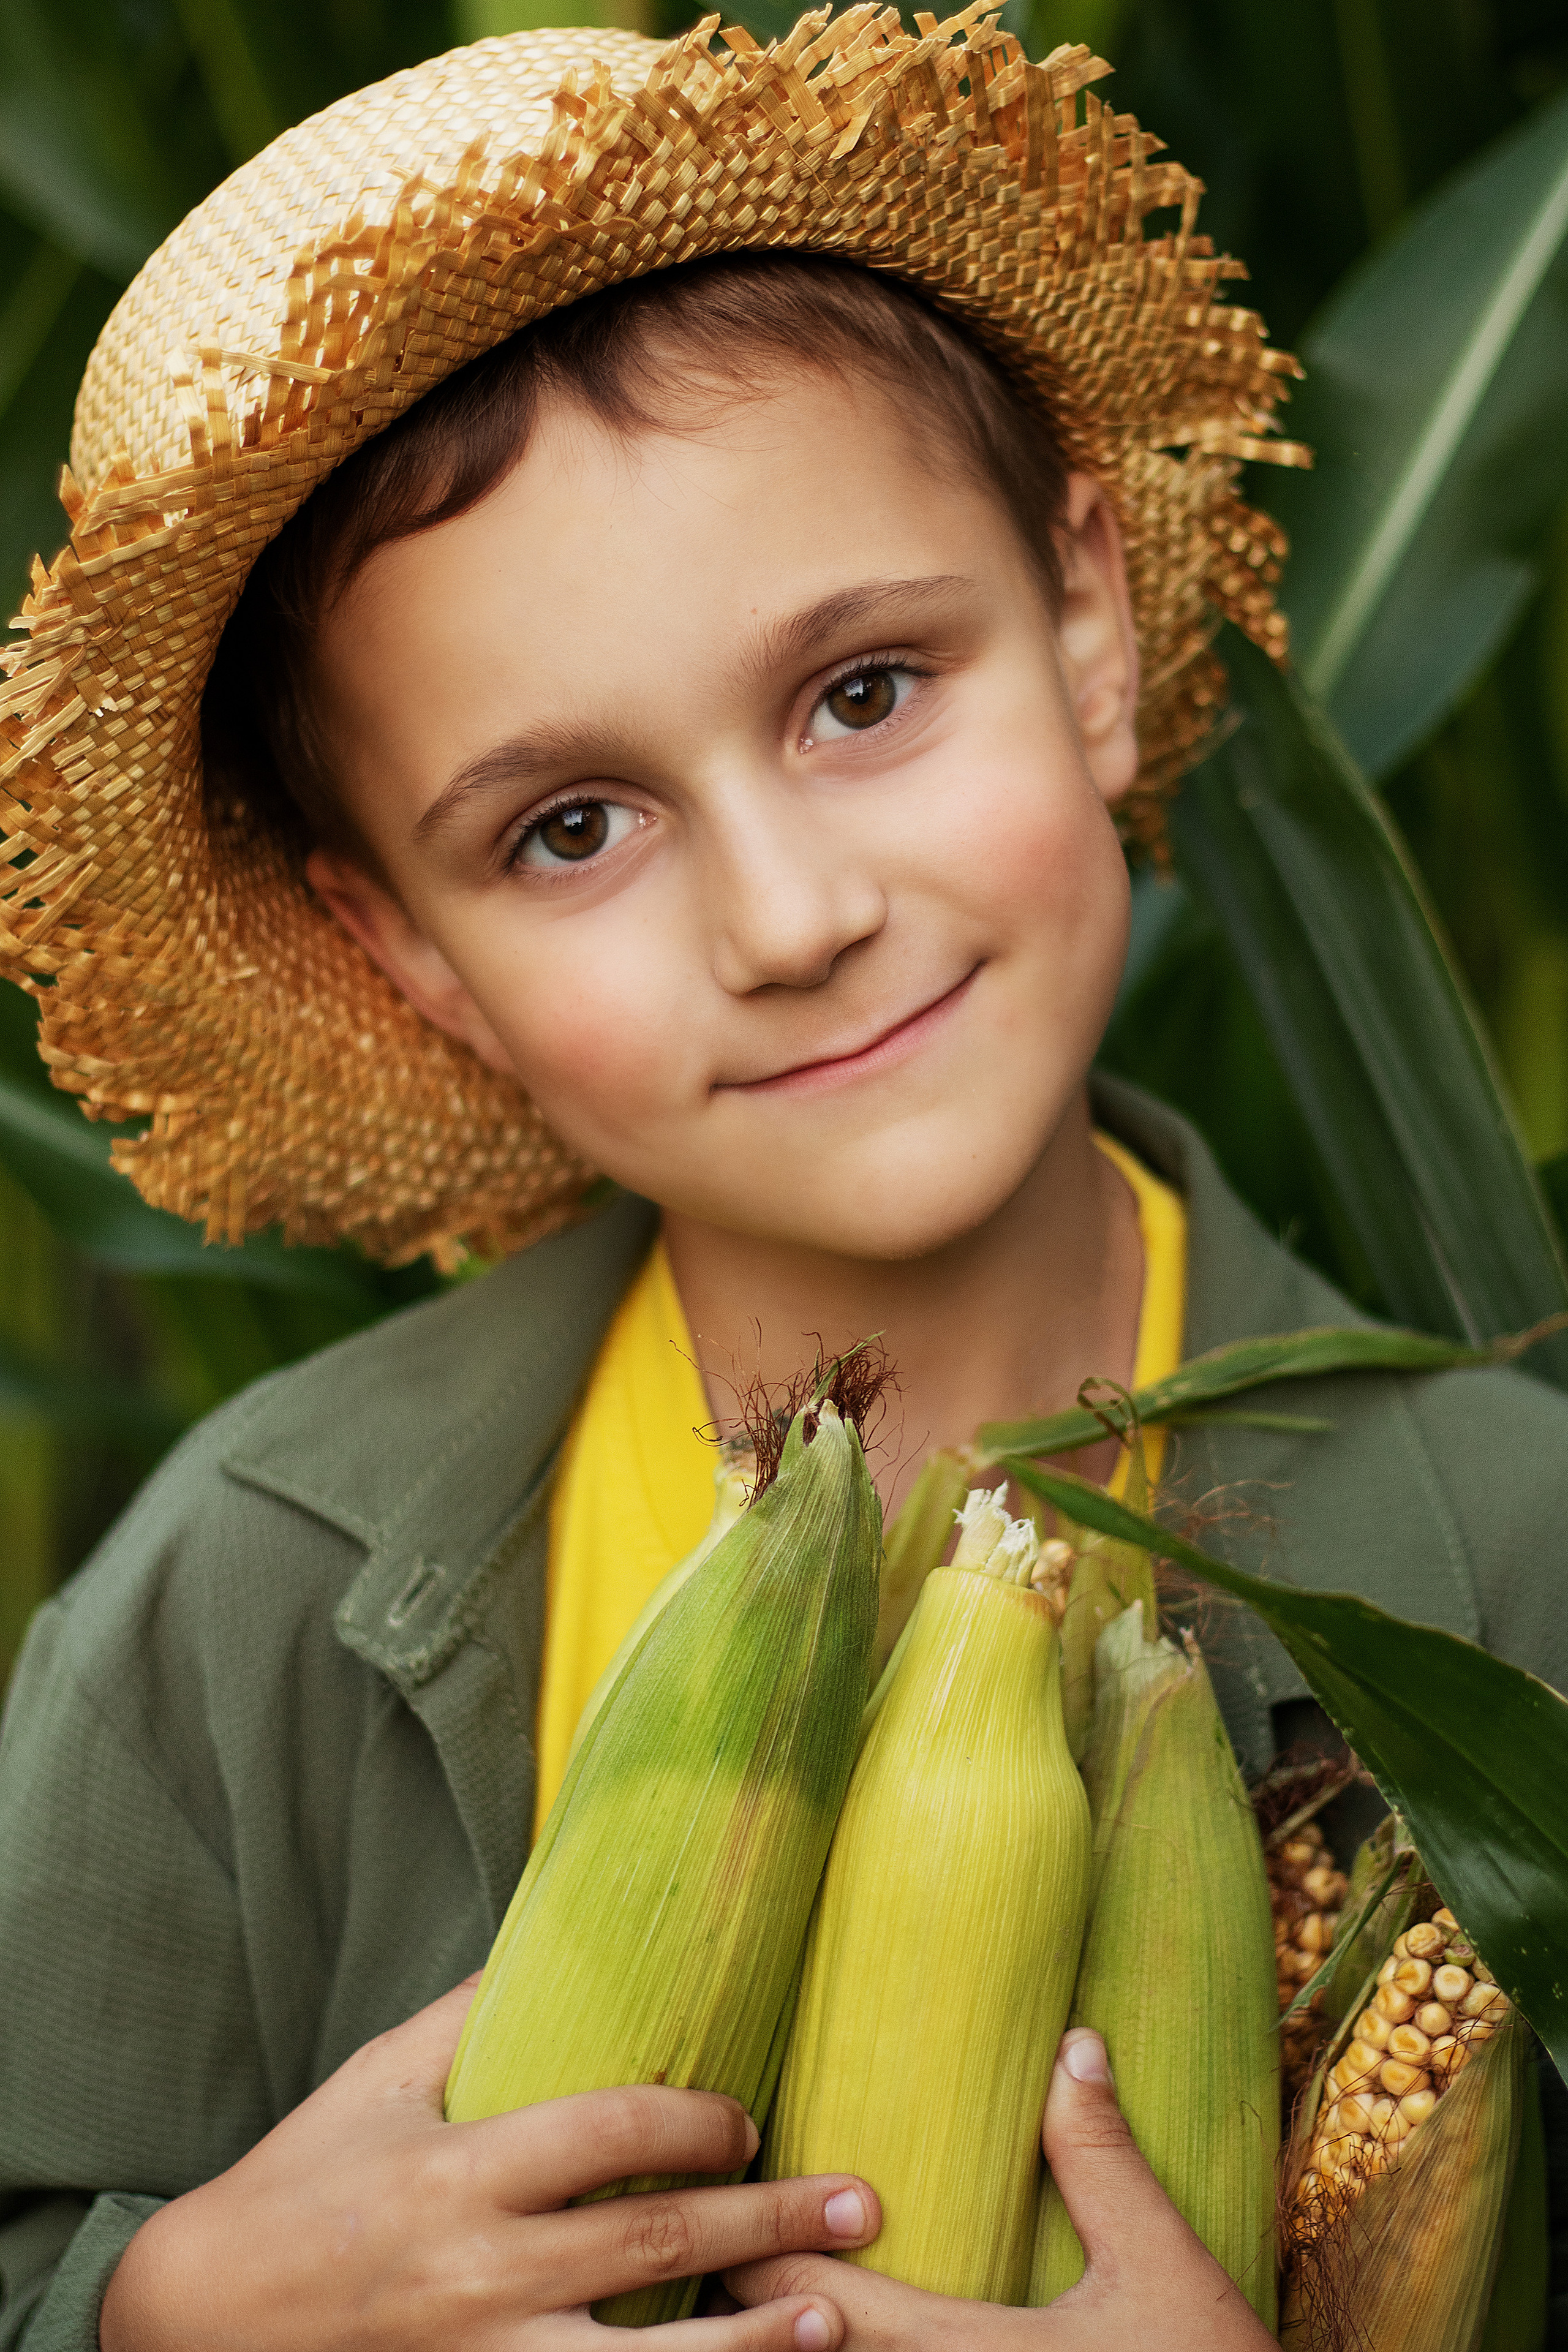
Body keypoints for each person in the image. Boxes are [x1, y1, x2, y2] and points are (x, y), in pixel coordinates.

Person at [1, 16, 1564, 2351]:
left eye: (861, 693)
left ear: (1093, 630)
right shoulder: (243, 1616)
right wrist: (166, 2312)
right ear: (408, 952)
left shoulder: (1524, 1565)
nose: (788, 915)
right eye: (569, 829)